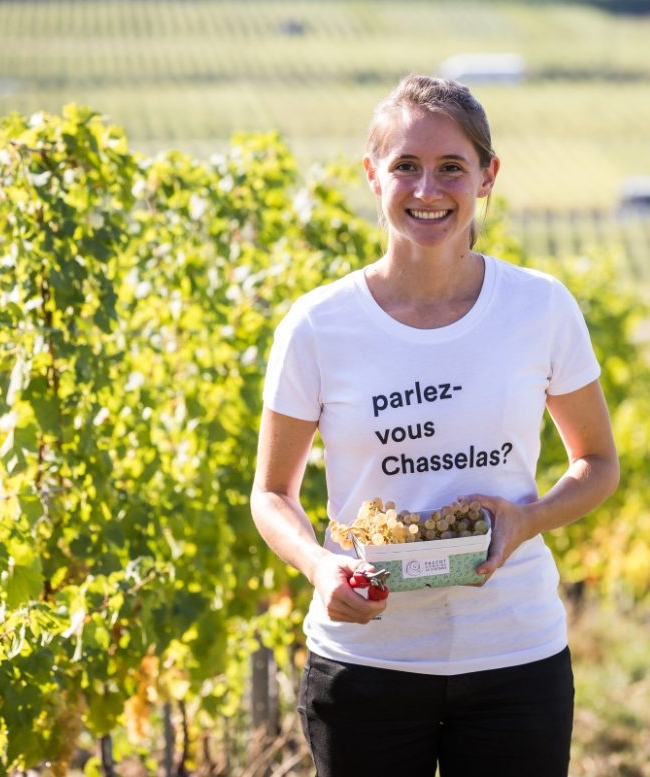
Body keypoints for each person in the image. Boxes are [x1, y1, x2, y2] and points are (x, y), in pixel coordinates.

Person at [250, 74, 619, 777]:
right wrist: (319, 564)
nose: (427, 189)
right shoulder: (317, 325)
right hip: (365, 665)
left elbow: (598, 461)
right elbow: (271, 492)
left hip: (515, 660)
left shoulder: (538, 307)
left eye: (451, 166)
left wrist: (526, 519)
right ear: (371, 174)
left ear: (486, 177)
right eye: (405, 167)